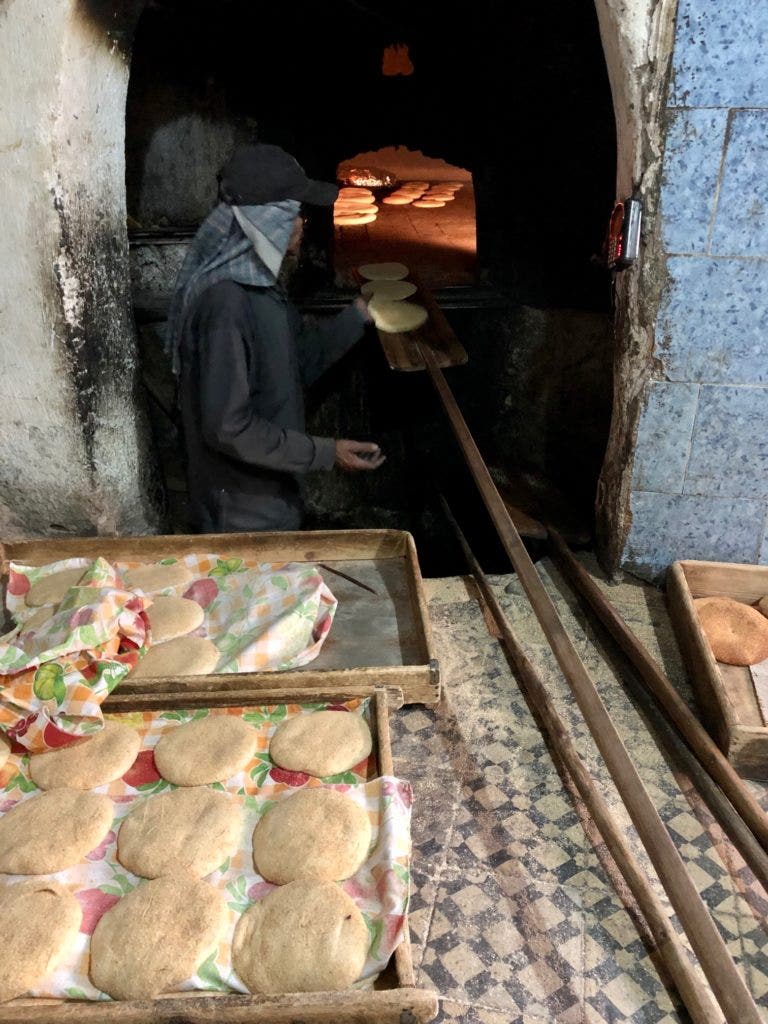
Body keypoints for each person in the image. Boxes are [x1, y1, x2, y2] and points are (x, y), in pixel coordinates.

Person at [166, 143, 385, 533]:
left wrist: (358, 315)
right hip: (239, 514)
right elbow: (227, 427)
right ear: (269, 223)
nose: (304, 224)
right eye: (297, 214)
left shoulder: (262, 290)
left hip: (272, 498)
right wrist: (324, 452)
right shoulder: (226, 304)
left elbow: (294, 363)